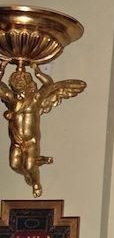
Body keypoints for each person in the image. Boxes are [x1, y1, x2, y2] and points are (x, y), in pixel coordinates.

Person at [0, 61, 85, 197]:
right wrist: (2, 68)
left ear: (28, 83)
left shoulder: (36, 99)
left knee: (29, 166)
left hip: (31, 141)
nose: (18, 82)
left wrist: (37, 72)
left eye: (22, 80)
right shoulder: (11, 99)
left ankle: (36, 182)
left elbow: (49, 85)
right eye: (15, 80)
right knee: (14, 165)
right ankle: (29, 173)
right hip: (16, 141)